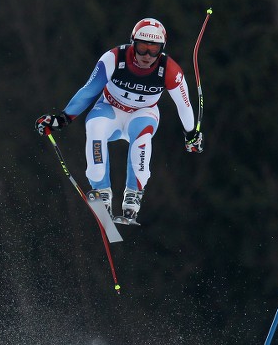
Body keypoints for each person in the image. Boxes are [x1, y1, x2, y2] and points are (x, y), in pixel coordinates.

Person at [35, 18, 203, 223]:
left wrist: (191, 135)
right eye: (142, 48)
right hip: (110, 109)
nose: (147, 56)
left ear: (162, 48)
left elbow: (184, 104)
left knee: (142, 138)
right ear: (133, 42)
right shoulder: (114, 58)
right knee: (95, 126)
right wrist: (62, 119)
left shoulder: (170, 70)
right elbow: (89, 91)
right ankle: (101, 191)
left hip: (143, 114)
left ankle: (133, 197)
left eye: (154, 49)